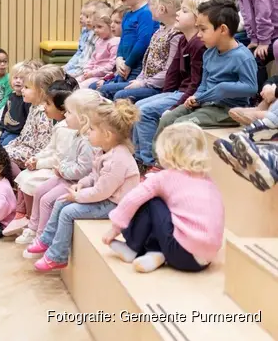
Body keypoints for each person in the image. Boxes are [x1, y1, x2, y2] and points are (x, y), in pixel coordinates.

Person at [27, 99, 140, 271]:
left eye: (93, 130)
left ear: (107, 135)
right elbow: (94, 175)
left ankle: (57, 256)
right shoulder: (103, 151)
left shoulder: (117, 160)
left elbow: (101, 192)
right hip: (106, 196)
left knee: (68, 211)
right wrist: (81, 185)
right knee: (61, 201)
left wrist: (78, 196)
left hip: (116, 204)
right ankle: (46, 239)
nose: (88, 133)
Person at [105, 123, 224, 273]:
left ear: (167, 153)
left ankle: (132, 248)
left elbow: (131, 200)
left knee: (152, 202)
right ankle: (156, 253)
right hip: (205, 260)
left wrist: (115, 229)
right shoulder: (207, 180)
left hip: (181, 252)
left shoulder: (164, 178)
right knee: (170, 210)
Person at [155, 0, 258, 136]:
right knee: (167, 119)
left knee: (180, 126)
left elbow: (252, 88)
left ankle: (179, 157)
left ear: (222, 29)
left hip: (227, 111)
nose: (198, 34)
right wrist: (196, 97)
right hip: (205, 104)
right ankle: (160, 157)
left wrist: (223, 88)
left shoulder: (243, 57)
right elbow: (203, 85)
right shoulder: (209, 53)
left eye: (203, 29)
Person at [13, 88, 100, 246]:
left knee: (47, 200)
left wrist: (62, 169)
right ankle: (32, 228)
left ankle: (42, 237)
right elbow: (66, 157)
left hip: (74, 181)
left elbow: (84, 169)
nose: (65, 115)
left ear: (83, 117)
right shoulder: (76, 134)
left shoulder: (86, 141)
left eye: (69, 112)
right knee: (39, 191)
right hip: (65, 176)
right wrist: (61, 168)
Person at [133, 0, 208, 171]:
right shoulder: (183, 39)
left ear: (197, 18)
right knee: (138, 106)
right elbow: (173, 74)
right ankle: (138, 157)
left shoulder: (199, 44)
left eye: (183, 10)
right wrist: (164, 95)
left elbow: (196, 83)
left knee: (145, 111)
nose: (177, 14)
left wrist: (175, 106)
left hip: (190, 95)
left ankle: (150, 161)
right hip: (178, 92)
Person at [4, 76, 80, 237]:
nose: (44, 107)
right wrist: (36, 158)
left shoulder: (67, 129)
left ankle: (32, 221)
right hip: (51, 164)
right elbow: (49, 148)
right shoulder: (60, 126)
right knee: (24, 176)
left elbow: (59, 158)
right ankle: (25, 216)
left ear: (61, 109)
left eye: (48, 104)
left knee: (30, 180)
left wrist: (38, 163)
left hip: (61, 170)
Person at [101, 0, 184, 102]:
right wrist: (140, 80)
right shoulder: (159, 31)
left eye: (151, 4)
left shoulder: (175, 35)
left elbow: (169, 71)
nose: (148, 8)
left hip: (158, 87)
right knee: (106, 89)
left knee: (118, 94)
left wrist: (143, 83)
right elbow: (147, 62)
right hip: (146, 81)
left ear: (161, 9)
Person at [95, 0, 159, 93]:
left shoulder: (146, 12)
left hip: (137, 66)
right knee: (95, 87)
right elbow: (123, 39)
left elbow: (143, 41)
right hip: (124, 64)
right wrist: (119, 58)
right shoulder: (128, 14)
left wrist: (128, 63)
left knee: (105, 90)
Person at [0, 61, 38, 147]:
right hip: (6, 131)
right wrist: (0, 130)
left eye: (22, 79)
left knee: (3, 146)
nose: (18, 81)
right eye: (16, 78)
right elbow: (5, 114)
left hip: (17, 134)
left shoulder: (27, 100)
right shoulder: (11, 96)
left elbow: (28, 121)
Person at [78, 5, 120, 89]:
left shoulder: (115, 42)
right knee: (73, 82)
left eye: (99, 27)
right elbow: (93, 59)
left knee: (79, 87)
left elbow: (111, 66)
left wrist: (92, 73)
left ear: (110, 26)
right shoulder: (99, 40)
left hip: (101, 76)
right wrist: (87, 70)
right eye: (94, 27)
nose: (95, 30)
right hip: (92, 73)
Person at [64, 1, 103, 78]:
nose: (81, 17)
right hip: (79, 67)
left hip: (85, 71)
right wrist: (67, 67)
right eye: (86, 16)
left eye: (88, 16)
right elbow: (80, 53)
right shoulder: (86, 31)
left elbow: (90, 61)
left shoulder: (98, 37)